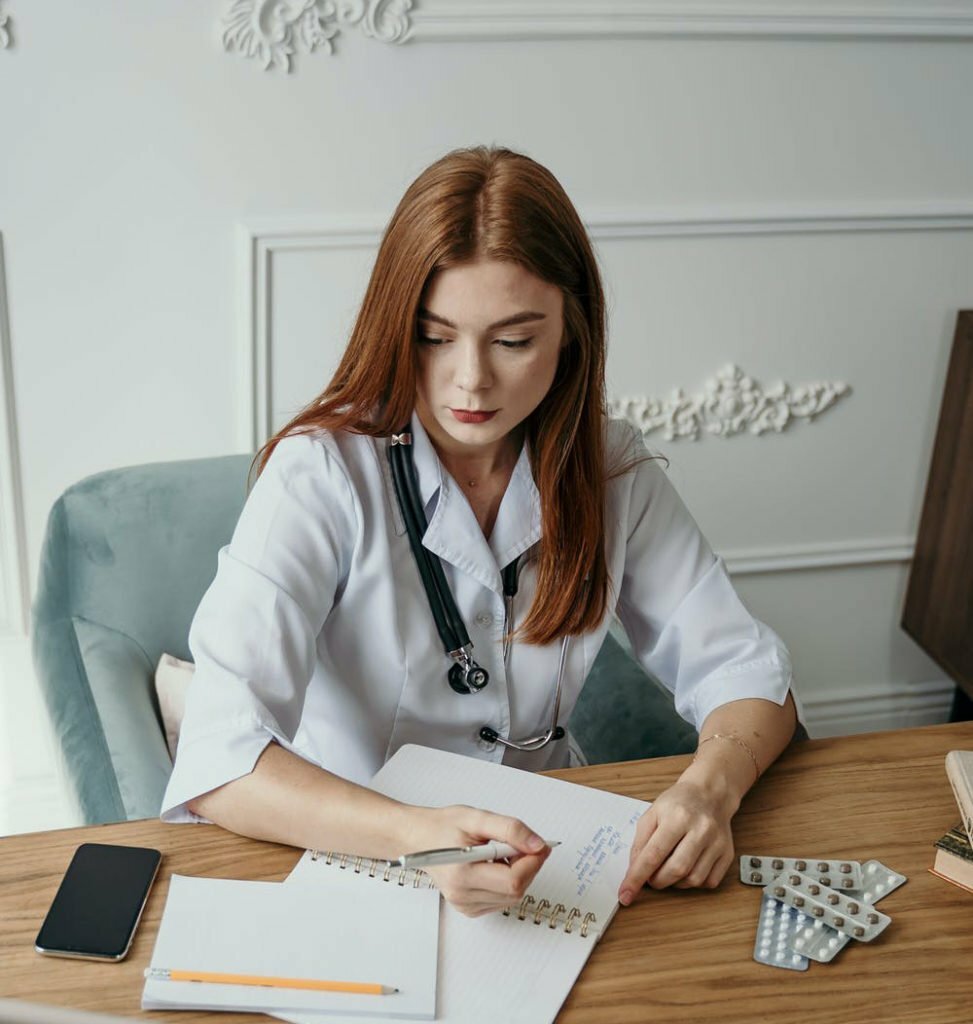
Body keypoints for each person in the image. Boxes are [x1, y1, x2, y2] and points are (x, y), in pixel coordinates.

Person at [161, 145, 799, 916]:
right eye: (435, 337)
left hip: (556, 852)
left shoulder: (611, 468)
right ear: (396, 325)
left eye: (512, 341)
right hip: (358, 850)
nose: (470, 380)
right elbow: (220, 758)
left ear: (570, 333)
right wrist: (418, 839)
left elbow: (746, 672)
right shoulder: (319, 475)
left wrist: (708, 790)